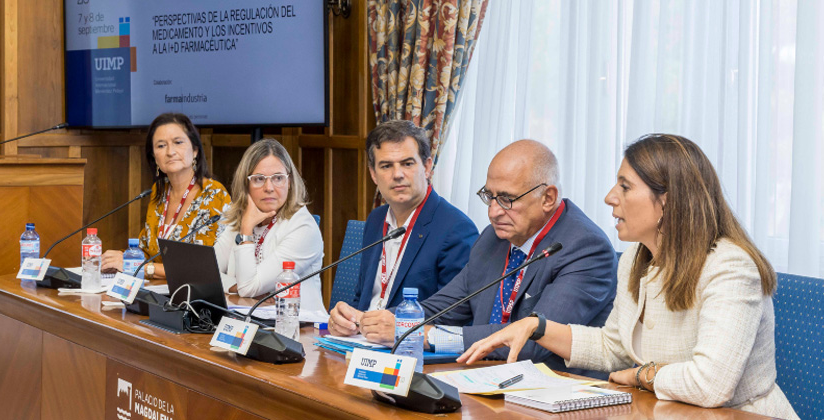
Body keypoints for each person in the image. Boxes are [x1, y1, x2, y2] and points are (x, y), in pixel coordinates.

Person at [458, 134, 798, 419]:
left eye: (625, 187)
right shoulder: (639, 256)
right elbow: (614, 347)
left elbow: (710, 384)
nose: (610, 198)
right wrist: (538, 327)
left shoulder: (730, 267)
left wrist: (641, 375)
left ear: (668, 201)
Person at [333, 140, 617, 375]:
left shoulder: (585, 248)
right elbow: (444, 306)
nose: (493, 211)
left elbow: (534, 342)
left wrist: (427, 336)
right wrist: (367, 321)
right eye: (489, 196)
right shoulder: (492, 239)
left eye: (507, 199)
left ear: (548, 198)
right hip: (483, 378)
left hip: (550, 391)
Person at [328, 120, 478, 330]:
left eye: (407, 164)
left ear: (426, 167)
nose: (397, 174)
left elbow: (455, 314)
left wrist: (391, 323)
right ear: (373, 174)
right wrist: (344, 321)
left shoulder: (456, 229)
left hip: (410, 349)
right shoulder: (375, 220)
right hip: (361, 342)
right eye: (386, 166)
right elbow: (362, 298)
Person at [102, 113, 231, 279]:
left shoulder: (214, 195)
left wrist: (141, 268)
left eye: (178, 142)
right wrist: (117, 259)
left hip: (196, 298)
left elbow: (200, 267)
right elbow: (148, 251)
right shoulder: (159, 191)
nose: (170, 152)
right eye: (161, 146)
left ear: (195, 150)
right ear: (154, 157)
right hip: (159, 292)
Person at [213, 138, 327, 314]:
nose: (269, 187)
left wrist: (246, 233)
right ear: (246, 185)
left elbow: (249, 288)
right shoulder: (243, 218)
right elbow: (208, 273)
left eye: (278, 178)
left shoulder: (303, 227)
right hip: (250, 320)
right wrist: (236, 286)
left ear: (289, 182)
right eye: (259, 179)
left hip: (300, 329)